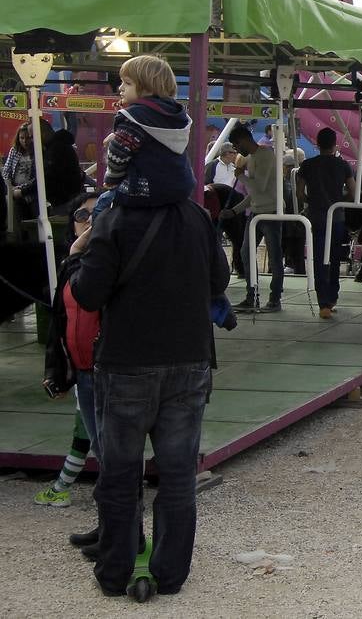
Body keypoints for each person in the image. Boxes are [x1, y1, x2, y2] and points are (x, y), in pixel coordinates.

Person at [70, 186, 230, 597]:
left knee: (121, 476)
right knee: (178, 477)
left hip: (127, 365)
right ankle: (170, 573)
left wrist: (78, 251)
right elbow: (220, 277)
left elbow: (88, 293)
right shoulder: (196, 216)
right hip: (189, 361)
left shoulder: (114, 219)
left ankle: (115, 571)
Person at [37, 193, 101, 516]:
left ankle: (66, 488)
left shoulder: (110, 262)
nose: (88, 220)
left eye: (97, 213)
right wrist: (56, 371)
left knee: (103, 442)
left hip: (110, 370)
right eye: (81, 214)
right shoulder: (69, 265)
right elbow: (59, 323)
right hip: (82, 371)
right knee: (93, 436)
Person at [100, 54, 195, 210]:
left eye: (127, 83)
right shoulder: (176, 117)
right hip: (180, 187)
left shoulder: (134, 116)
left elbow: (118, 154)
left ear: (148, 88)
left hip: (144, 190)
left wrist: (111, 179)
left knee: (101, 205)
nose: (120, 88)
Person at [223, 125, 283, 312]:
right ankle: (251, 296)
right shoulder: (252, 158)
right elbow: (253, 194)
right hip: (256, 213)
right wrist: (234, 211)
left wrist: (241, 177)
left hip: (271, 213)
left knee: (274, 258)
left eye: (236, 144)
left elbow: (260, 187)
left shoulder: (265, 156)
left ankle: (274, 299)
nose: (236, 149)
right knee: (245, 253)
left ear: (244, 140)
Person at [297, 128, 354, 319]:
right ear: (335, 143)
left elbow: (299, 193)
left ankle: (323, 303)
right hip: (337, 217)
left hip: (316, 217)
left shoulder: (307, 165)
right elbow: (353, 192)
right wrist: (339, 199)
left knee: (320, 258)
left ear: (317, 143)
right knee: (335, 258)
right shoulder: (343, 165)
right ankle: (332, 297)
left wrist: (311, 200)